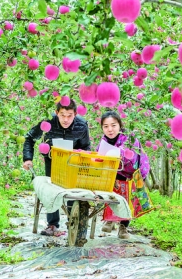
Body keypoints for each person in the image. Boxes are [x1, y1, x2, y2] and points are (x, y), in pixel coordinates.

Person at [23, 99, 91, 236]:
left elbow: (86, 147)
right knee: (52, 190)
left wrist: (82, 156)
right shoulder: (47, 123)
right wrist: (28, 158)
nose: (66, 119)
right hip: (52, 159)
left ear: (75, 114)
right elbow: (30, 137)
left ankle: (74, 221)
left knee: (73, 190)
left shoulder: (82, 125)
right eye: (62, 115)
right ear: (56, 113)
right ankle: (53, 224)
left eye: (70, 115)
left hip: (72, 161)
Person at [97, 111, 150, 239]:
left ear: (120, 125)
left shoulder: (130, 139)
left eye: (113, 125)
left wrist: (117, 153)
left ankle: (123, 226)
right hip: (114, 172)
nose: (110, 129)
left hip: (130, 173)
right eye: (106, 126)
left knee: (126, 198)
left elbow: (131, 158)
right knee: (111, 192)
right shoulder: (103, 141)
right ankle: (110, 219)